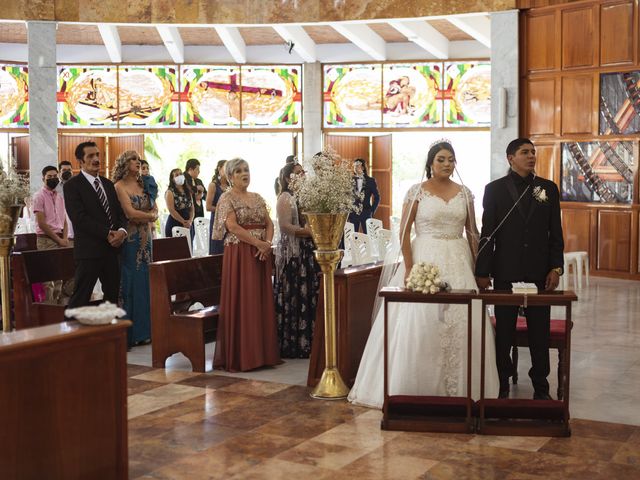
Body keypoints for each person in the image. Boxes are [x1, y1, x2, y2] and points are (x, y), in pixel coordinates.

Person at [348, 141, 499, 409]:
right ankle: (413, 386)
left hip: (459, 259)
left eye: (451, 159)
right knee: (421, 320)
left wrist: (480, 268)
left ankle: (463, 388)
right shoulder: (417, 192)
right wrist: (409, 267)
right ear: (431, 163)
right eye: (441, 159)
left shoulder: (465, 194)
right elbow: (404, 232)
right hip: (425, 258)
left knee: (462, 320)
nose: (447, 164)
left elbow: (473, 232)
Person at [475, 138, 564, 400]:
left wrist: (556, 268)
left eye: (533, 152)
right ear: (510, 157)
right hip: (506, 270)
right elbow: (487, 233)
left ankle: (541, 387)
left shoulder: (548, 188)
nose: (531, 156)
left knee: (539, 331)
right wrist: (483, 271)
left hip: (539, 272)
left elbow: (555, 233)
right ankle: (501, 385)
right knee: (503, 331)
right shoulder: (494, 190)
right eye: (525, 152)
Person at [212, 158, 280, 372]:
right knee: (245, 299)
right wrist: (258, 243)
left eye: (247, 170)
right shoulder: (226, 198)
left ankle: (263, 354)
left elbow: (269, 223)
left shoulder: (258, 197)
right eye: (239, 171)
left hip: (260, 253)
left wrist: (267, 244)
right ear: (230, 177)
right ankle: (245, 356)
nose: (244, 174)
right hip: (240, 253)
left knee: (259, 299)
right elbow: (232, 226)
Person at [64, 141, 128, 308]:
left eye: (98, 155)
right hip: (89, 251)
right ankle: (73, 333)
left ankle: (107, 333)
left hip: (112, 250)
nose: (96, 159)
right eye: (90, 156)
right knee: (80, 298)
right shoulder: (72, 185)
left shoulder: (107, 184)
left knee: (112, 298)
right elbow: (79, 218)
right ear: (81, 161)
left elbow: (119, 213)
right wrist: (107, 233)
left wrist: (121, 231)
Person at [274, 162, 320, 358]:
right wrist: (307, 231)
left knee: (309, 293)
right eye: (298, 173)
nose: (302, 175)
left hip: (307, 250)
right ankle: (293, 343)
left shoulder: (305, 196)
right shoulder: (285, 197)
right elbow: (285, 226)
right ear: (287, 178)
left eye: (303, 172)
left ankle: (310, 341)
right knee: (294, 294)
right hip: (293, 253)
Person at [113, 150, 157, 348]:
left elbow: (155, 207)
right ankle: (131, 332)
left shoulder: (143, 184)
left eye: (139, 160)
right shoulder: (119, 186)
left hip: (146, 239)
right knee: (131, 281)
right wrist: (149, 216)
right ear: (124, 163)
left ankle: (146, 330)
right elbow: (130, 214)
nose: (137, 163)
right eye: (133, 159)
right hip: (130, 240)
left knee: (146, 281)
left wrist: (149, 215)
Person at [32, 165, 70, 303]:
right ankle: (48, 313)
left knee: (59, 278)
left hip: (59, 238)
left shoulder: (60, 197)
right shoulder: (38, 196)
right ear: (43, 178)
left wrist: (64, 238)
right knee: (48, 281)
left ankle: (58, 313)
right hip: (45, 239)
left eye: (55, 176)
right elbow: (42, 223)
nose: (53, 179)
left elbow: (64, 221)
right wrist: (59, 240)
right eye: (49, 177)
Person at [348, 158, 380, 233]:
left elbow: (377, 197)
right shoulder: (351, 180)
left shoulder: (370, 181)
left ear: (363, 167)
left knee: (368, 235)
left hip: (366, 212)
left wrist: (372, 211)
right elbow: (348, 196)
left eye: (357, 166)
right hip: (353, 213)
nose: (355, 168)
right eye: (354, 166)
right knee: (353, 236)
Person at [164, 168, 194, 239]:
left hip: (188, 223)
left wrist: (190, 220)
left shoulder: (187, 191)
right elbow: (171, 210)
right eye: (176, 175)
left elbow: (192, 208)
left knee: (189, 247)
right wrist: (183, 222)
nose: (179, 176)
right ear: (172, 179)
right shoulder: (170, 192)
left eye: (181, 174)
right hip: (175, 222)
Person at [206, 159, 228, 255]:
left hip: (229, 222)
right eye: (226, 167)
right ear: (219, 169)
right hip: (217, 222)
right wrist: (223, 210)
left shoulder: (231, 185)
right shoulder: (213, 185)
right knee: (217, 249)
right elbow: (208, 207)